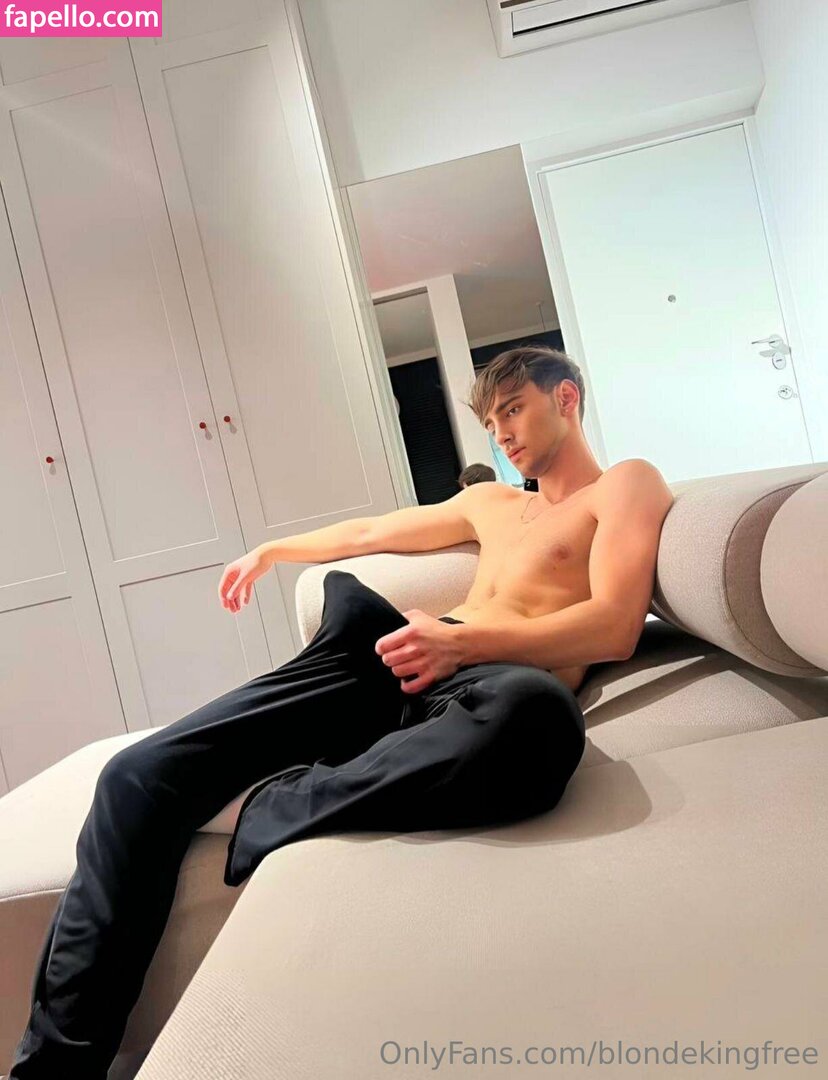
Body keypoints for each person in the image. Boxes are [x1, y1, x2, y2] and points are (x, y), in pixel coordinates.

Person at [9, 345, 674, 1078]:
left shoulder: (624, 486)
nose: (501, 433)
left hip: (490, 682)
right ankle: (53, 1070)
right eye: (490, 422)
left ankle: (269, 805)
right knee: (133, 777)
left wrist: (463, 645)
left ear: (566, 399)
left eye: (513, 410)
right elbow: (371, 533)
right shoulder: (493, 504)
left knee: (541, 722)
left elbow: (614, 625)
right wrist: (273, 551)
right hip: (384, 663)